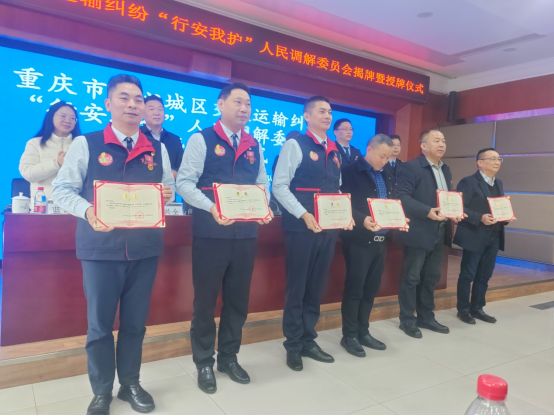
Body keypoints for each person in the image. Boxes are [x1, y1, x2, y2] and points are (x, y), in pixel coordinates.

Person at [52, 75, 175, 416]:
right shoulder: (87, 143)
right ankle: (101, 391)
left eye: (138, 99)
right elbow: (62, 190)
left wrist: (167, 194)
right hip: (100, 247)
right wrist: (88, 210)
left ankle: (130, 384)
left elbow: (166, 188)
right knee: (99, 325)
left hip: (145, 247)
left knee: (135, 323)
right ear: (108, 103)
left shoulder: (157, 148)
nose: (132, 104)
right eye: (124, 98)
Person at [176, 82, 272, 394]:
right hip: (210, 233)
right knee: (205, 301)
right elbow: (185, 183)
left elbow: (262, 183)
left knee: (238, 300)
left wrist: (264, 206)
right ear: (220, 104)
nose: (244, 109)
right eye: (238, 102)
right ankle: (204, 360)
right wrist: (210, 207)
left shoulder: (254, 145)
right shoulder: (201, 139)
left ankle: (229, 357)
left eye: (248, 104)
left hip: (245, 234)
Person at [273, 96, 353, 372]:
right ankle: (293, 344)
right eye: (321, 111)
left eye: (330, 111)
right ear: (307, 116)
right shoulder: (295, 145)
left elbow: (336, 188)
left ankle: (309, 339)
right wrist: (303, 214)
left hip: (328, 229)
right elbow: (279, 187)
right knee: (298, 287)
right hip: (301, 228)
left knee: (316, 286)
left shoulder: (334, 149)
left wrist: (345, 213)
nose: (327, 116)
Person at [340, 134, 409, 357]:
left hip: (382, 240)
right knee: (355, 289)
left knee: (371, 289)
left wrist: (399, 218)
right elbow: (342, 203)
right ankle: (349, 335)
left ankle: (363, 331)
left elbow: (389, 203)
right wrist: (362, 219)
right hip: (359, 239)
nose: (384, 161)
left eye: (388, 157)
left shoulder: (387, 172)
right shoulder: (349, 171)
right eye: (381, 156)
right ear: (369, 149)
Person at [395, 129, 466, 339]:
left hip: (440, 230)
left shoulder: (446, 169)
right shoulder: (411, 167)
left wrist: (454, 213)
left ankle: (426, 316)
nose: (441, 144)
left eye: (443, 140)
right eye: (436, 140)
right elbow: (401, 197)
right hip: (419, 230)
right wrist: (427, 211)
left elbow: (447, 199)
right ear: (423, 146)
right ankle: (407, 319)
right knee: (411, 277)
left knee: (431, 277)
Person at [454, 149, 515, 325]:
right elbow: (459, 207)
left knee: (484, 275)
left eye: (499, 159)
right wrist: (479, 217)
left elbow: (497, 206)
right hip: (474, 234)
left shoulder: (498, 182)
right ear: (480, 162)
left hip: (494, 235)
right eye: (492, 159)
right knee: (468, 274)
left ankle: (477, 308)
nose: (497, 162)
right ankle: (463, 309)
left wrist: (506, 215)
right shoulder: (469, 182)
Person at [20, 101, 80, 203]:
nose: (68, 120)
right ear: (51, 116)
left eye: (72, 118)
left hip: (74, 205)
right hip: (43, 205)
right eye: (63, 116)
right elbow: (28, 173)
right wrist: (57, 163)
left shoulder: (81, 145)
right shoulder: (35, 143)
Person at [140, 95, 184, 179]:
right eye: (151, 109)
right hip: (141, 185)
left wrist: (175, 174)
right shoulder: (136, 135)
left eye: (160, 109)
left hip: (167, 186)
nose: (157, 113)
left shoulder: (175, 140)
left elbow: (183, 168)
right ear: (143, 113)